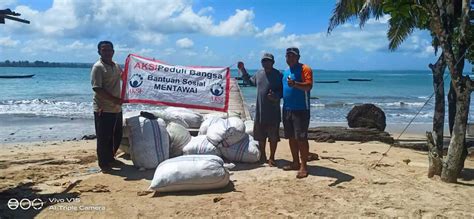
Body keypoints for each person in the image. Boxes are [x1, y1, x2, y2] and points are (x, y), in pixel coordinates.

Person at [91, 41, 123, 172]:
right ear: (99, 52)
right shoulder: (98, 67)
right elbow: (97, 88)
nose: (107, 52)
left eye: (109, 50)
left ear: (113, 51)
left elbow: (124, 78)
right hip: (103, 108)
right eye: (104, 50)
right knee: (104, 137)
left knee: (117, 135)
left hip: (117, 108)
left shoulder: (116, 65)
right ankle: (103, 163)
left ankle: (111, 158)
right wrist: (115, 99)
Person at [281, 47, 313, 178]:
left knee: (301, 138)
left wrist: (295, 84)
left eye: (293, 56)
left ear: (298, 57)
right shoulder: (285, 71)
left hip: (301, 109)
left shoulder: (305, 68)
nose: (290, 58)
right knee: (291, 137)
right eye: (288, 56)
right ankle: (295, 162)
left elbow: (309, 86)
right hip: (287, 109)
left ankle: (304, 166)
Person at [250, 53, 283, 166]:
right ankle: (263, 156)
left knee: (273, 137)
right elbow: (250, 82)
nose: (266, 63)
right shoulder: (258, 74)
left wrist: (276, 96)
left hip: (273, 112)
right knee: (260, 136)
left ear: (273, 62)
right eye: (264, 61)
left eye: (268, 61)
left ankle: (272, 157)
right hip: (260, 111)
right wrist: (242, 70)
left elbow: (284, 91)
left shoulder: (279, 75)